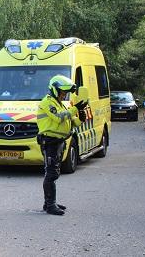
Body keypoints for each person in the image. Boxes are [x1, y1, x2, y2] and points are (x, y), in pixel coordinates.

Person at [36, 75, 87, 215]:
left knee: (54, 172)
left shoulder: (59, 103)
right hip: (50, 141)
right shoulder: (48, 102)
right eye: (63, 92)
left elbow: (70, 121)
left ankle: (50, 202)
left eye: (65, 93)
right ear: (55, 89)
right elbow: (59, 118)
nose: (64, 95)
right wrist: (75, 109)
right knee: (51, 173)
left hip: (58, 142)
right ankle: (50, 205)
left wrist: (80, 119)